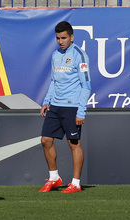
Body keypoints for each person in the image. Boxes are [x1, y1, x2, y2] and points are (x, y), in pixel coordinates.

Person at [39, 21, 91, 193]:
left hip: (72, 107)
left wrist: (81, 111)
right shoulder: (55, 55)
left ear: (72, 37)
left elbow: (86, 86)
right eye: (58, 38)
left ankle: (76, 183)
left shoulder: (80, 55)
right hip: (55, 105)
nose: (61, 41)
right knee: (46, 140)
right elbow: (53, 81)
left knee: (73, 143)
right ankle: (54, 178)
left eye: (64, 38)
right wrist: (47, 101)